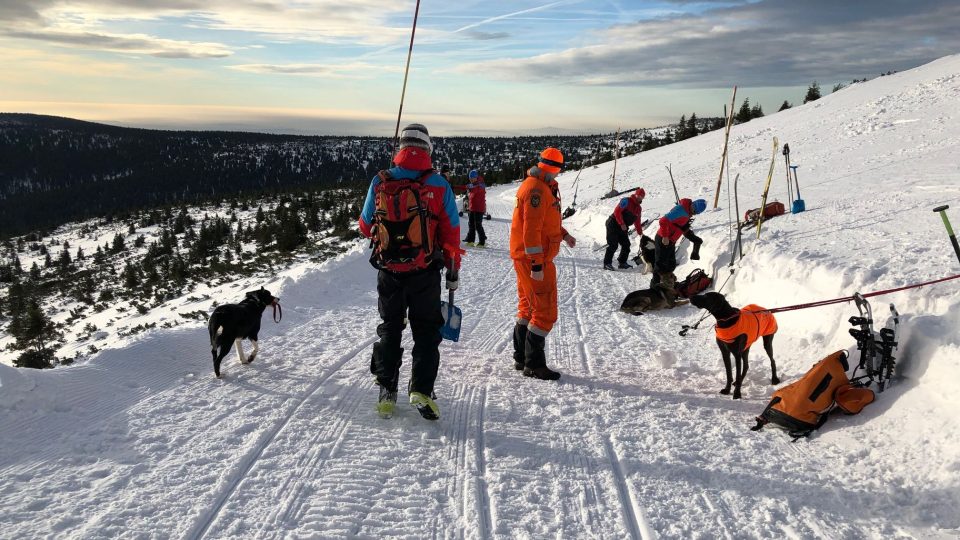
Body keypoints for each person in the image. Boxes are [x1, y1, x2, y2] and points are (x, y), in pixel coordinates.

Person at [358, 123, 462, 420]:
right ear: (428, 148)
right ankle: (421, 390)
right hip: (425, 271)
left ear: (400, 147)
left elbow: (366, 226)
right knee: (426, 330)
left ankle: (386, 389)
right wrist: (453, 270)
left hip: (388, 269)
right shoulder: (439, 184)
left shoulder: (381, 180)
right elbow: (452, 234)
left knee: (391, 326)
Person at [509, 148, 577, 380]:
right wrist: (537, 264)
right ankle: (534, 364)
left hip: (526, 258)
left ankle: (521, 357)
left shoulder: (541, 185)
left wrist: (564, 234)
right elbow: (531, 230)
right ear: (557, 168)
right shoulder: (537, 189)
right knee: (545, 310)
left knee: (528, 307)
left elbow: (547, 221)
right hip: (533, 260)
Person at [651, 197, 706, 287]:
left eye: (696, 212)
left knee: (671, 264)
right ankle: (654, 288)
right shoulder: (681, 210)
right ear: (693, 204)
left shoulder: (687, 212)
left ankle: (667, 284)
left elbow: (681, 226)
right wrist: (665, 236)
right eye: (694, 209)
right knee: (660, 266)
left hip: (671, 241)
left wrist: (695, 239)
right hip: (663, 239)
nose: (693, 212)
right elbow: (663, 221)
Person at [603, 188, 645, 270]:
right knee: (613, 245)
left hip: (623, 227)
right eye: (638, 195)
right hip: (613, 223)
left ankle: (622, 262)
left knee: (626, 245)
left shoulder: (638, 209)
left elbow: (637, 221)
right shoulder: (626, 201)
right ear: (635, 194)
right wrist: (621, 223)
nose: (640, 198)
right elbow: (617, 212)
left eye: (642, 197)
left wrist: (640, 233)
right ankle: (607, 263)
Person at [463, 169, 487, 247]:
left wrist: (469, 188)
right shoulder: (473, 185)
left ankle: (482, 242)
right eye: (470, 178)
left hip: (479, 209)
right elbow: (466, 187)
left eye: (472, 178)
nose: (471, 180)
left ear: (476, 177)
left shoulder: (480, 185)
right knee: (471, 225)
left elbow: (474, 191)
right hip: (472, 208)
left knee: (478, 225)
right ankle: (470, 241)